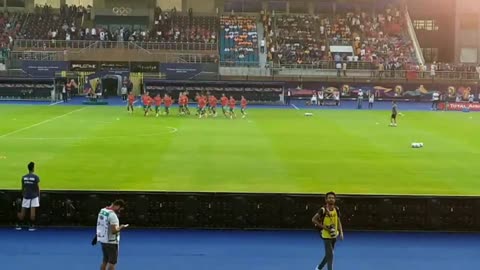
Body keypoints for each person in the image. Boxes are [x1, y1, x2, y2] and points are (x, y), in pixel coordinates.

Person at [311, 192, 343, 270]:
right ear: (326, 199)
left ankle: (319, 267)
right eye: (329, 197)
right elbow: (313, 219)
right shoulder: (323, 210)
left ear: (335, 200)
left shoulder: (337, 209)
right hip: (326, 235)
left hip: (334, 234)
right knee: (331, 256)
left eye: (332, 198)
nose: (331, 199)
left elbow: (338, 221)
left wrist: (341, 232)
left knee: (329, 255)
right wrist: (325, 228)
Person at [94, 199, 129, 270]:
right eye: (120, 209)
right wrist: (121, 227)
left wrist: (97, 236)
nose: (119, 211)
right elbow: (114, 231)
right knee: (112, 263)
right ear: (117, 206)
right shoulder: (112, 215)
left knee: (105, 260)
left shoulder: (102, 210)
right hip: (112, 242)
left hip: (103, 240)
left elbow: (100, 225)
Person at [16, 162, 40, 231]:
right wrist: (38, 197)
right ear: (33, 168)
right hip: (34, 196)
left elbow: (22, 188)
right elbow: (38, 188)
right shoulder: (36, 177)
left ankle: (18, 224)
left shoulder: (24, 177)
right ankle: (31, 225)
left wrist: (23, 194)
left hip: (26, 196)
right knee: (33, 214)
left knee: (22, 213)